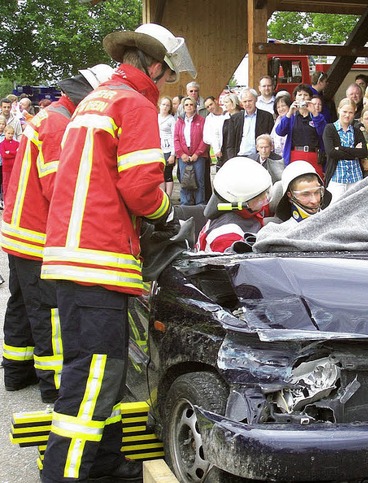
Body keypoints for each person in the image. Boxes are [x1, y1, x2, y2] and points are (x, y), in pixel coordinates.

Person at [40, 23, 195, 483]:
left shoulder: (94, 99)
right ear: (153, 65)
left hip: (73, 256)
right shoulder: (135, 103)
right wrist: (168, 216)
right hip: (98, 260)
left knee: (97, 370)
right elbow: (142, 188)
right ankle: (64, 474)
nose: (166, 83)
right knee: (93, 378)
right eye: (167, 75)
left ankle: (107, 463)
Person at [1, 64, 114, 405]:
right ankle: (55, 383)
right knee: (48, 309)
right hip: (36, 235)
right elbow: (58, 187)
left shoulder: (50, 116)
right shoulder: (59, 125)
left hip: (19, 229)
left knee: (22, 303)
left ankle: (16, 372)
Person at [196, 156, 272, 253]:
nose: (265, 200)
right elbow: (239, 267)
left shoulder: (243, 211)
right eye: (260, 198)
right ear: (243, 202)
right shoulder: (227, 236)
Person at [275, 83, 326, 177]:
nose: (302, 97)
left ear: (310, 99)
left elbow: (323, 133)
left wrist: (315, 113)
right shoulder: (292, 116)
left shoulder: (316, 116)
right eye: (299, 95)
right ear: (295, 98)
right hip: (296, 154)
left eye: (305, 95)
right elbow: (280, 131)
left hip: (313, 155)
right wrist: (289, 113)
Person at [322, 98, 368, 201]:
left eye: (350, 112)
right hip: (337, 177)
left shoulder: (357, 131)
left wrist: (341, 149)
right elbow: (331, 152)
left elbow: (363, 153)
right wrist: (354, 153)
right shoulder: (330, 129)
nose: (347, 115)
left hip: (355, 177)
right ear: (339, 110)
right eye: (345, 112)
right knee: (334, 208)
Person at [273, 160, 331, 225]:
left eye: (317, 192)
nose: (314, 201)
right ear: (290, 196)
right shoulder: (282, 231)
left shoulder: (332, 221)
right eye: (305, 194)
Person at [223, 88, 274, 161]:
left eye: (250, 101)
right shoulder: (234, 119)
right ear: (241, 103)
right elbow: (230, 143)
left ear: (256, 100)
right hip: (240, 157)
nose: (247, 104)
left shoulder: (267, 117)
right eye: (245, 101)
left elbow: (270, 140)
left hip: (259, 157)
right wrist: (233, 159)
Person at [174, 96, 209, 205]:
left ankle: (200, 204)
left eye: (191, 104)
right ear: (183, 107)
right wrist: (181, 153)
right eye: (186, 105)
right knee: (185, 182)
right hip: (183, 155)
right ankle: (185, 204)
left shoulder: (202, 120)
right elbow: (176, 139)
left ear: (195, 107)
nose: (189, 107)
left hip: (198, 156)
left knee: (199, 181)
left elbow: (205, 139)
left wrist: (197, 154)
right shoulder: (179, 121)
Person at [158, 95, 176, 196]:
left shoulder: (171, 119)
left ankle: (168, 196)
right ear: (160, 105)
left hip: (168, 149)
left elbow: (174, 136)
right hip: (158, 148)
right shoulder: (156, 117)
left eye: (167, 105)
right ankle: (161, 195)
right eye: (163, 104)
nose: (165, 107)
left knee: (167, 173)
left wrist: (173, 154)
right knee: (159, 173)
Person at [203, 95, 227, 164]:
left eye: (211, 104)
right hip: (220, 151)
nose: (210, 107)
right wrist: (216, 147)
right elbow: (206, 137)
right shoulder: (209, 119)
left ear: (216, 101)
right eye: (207, 107)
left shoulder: (228, 111)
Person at [0, 125, 19, 199]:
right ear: (5, 133)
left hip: (15, 168)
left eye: (12, 133)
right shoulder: (2, 144)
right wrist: (14, 153)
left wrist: (9, 152)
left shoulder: (17, 143)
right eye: (9, 133)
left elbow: (19, 154)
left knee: (15, 185)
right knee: (6, 185)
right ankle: (6, 202)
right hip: (6, 169)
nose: (10, 135)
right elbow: (4, 155)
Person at [271, 91, 291, 156]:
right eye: (278, 107)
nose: (281, 109)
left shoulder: (294, 118)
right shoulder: (277, 121)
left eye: (283, 106)